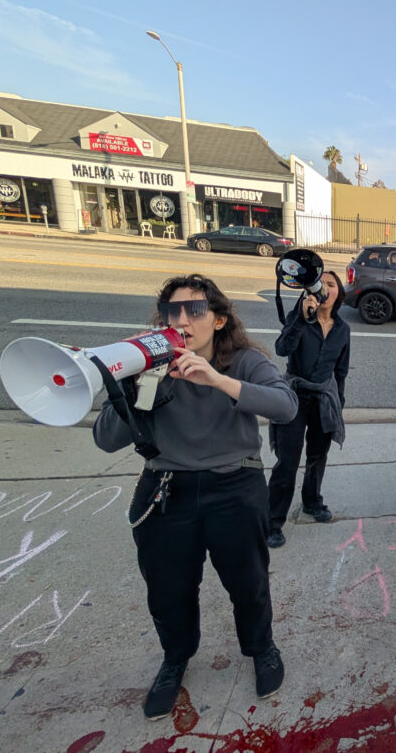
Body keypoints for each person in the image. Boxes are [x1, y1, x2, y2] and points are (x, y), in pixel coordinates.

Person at [92, 274, 298, 721]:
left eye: (196, 310)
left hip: (234, 487)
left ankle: (261, 647)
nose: (183, 319)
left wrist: (218, 382)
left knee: (248, 582)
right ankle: (175, 659)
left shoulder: (242, 360)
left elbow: (285, 406)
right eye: (173, 311)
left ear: (219, 319)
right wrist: (136, 386)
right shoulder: (147, 367)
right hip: (167, 489)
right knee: (168, 589)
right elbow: (106, 440)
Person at [267, 271, 350, 546]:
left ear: (338, 294)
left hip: (324, 398)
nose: (325, 288)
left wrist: (339, 403)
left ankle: (312, 502)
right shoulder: (300, 316)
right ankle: (272, 522)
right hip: (294, 396)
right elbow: (282, 348)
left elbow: (340, 371)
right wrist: (303, 319)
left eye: (331, 284)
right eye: (320, 284)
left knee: (318, 455)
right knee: (287, 461)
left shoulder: (342, 329)